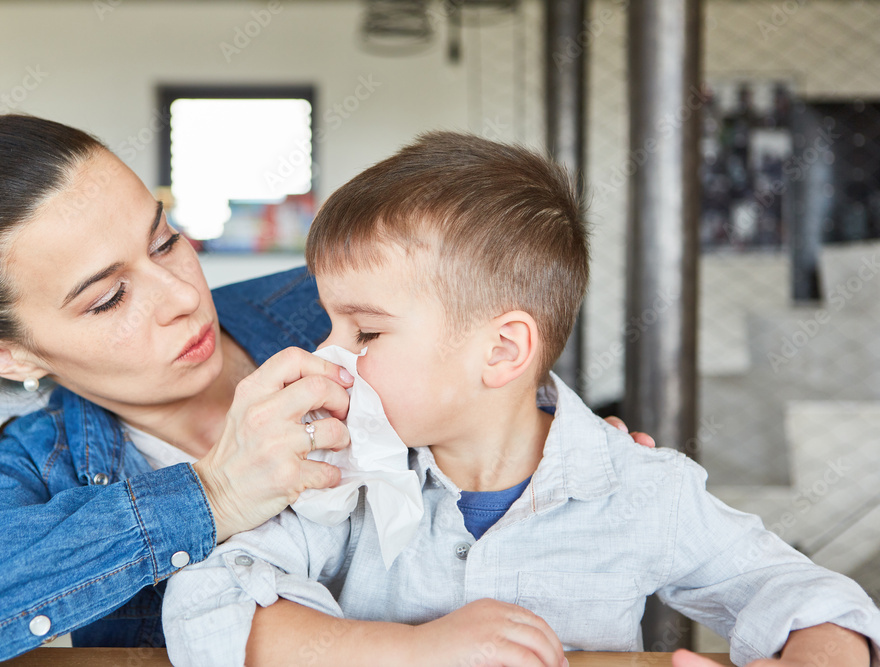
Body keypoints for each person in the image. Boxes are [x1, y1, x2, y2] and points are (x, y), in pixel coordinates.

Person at [0, 114, 650, 667]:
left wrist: (562, 451)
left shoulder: (333, 302)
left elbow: (503, 381)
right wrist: (209, 497)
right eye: (108, 298)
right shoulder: (42, 470)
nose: (182, 295)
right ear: (6, 355)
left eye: (164, 240)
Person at [162, 132, 880, 667]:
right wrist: (412, 651)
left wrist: (824, 655)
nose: (330, 352)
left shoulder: (638, 487)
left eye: (366, 329)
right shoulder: (343, 476)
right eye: (331, 323)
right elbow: (204, 605)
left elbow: (797, 589)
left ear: (502, 351)